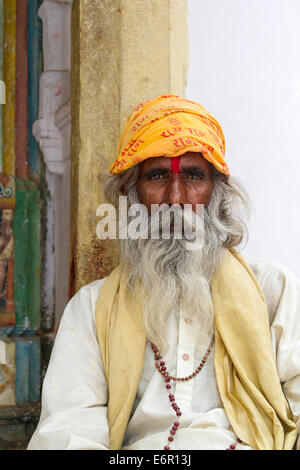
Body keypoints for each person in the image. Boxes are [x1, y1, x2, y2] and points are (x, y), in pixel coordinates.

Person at [28, 94, 300, 450]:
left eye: (193, 176)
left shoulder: (273, 291)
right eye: (156, 175)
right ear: (131, 193)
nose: (175, 197)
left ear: (217, 193)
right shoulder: (92, 309)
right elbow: (66, 432)